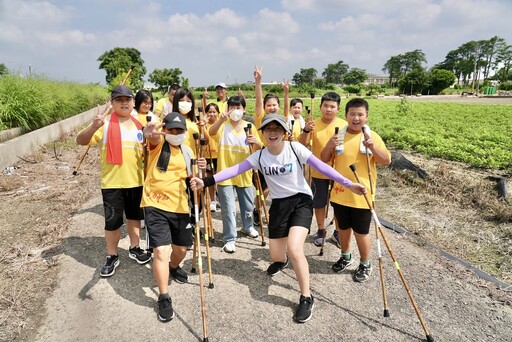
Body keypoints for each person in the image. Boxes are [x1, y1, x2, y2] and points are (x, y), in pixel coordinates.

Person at [191, 114, 366, 322]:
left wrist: (348, 184)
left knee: (294, 248)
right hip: (279, 205)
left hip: (301, 201)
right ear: (262, 133)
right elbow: (233, 170)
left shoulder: (295, 149)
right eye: (268, 129)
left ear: (285, 133)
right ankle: (281, 262)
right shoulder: (259, 156)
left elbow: (323, 167)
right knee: (276, 255)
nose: (273, 133)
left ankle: (306, 297)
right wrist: (207, 181)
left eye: (277, 129)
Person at [76, 85, 151, 277]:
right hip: (112, 183)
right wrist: (93, 126)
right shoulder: (104, 123)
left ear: (133, 102)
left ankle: (135, 247)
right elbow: (81, 141)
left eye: (128, 99)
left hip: (135, 180)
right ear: (112, 102)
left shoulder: (138, 125)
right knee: (112, 222)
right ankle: (112, 255)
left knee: (135, 217)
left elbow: (145, 153)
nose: (124, 103)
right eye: (119, 100)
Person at [140, 112, 205, 321]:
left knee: (181, 250)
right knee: (161, 250)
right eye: (171, 130)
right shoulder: (157, 145)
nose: (175, 133)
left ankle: (173, 267)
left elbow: (192, 181)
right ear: (165, 130)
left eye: (179, 130)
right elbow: (152, 137)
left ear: (185, 132)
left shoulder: (187, 152)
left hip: (179, 207)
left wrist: (198, 177)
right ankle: (164, 296)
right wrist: (149, 133)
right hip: (154, 204)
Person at [320, 98, 391, 282]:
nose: (356, 118)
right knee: (343, 229)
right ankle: (345, 256)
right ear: (346, 116)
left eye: (360, 114)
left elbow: (386, 161)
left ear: (366, 117)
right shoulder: (338, 135)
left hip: (363, 196)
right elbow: (324, 159)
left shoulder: (371, 136)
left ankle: (365, 263)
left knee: (361, 232)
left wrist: (373, 147)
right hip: (339, 193)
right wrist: (329, 145)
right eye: (352, 114)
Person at [208, 95, 262, 253]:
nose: (235, 111)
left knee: (247, 205)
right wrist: (220, 119)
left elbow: (259, 147)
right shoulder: (223, 125)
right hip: (225, 173)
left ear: (244, 109)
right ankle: (229, 238)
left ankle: (248, 226)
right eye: (232, 107)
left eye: (238, 108)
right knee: (228, 208)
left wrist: (257, 143)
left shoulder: (249, 126)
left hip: (244, 173)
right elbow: (211, 132)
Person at [298, 91, 347, 247]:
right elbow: (301, 145)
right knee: (319, 203)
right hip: (317, 173)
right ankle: (320, 229)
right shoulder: (313, 125)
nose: (328, 109)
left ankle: (338, 232)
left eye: (332, 106)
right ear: (320, 107)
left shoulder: (344, 126)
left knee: (338, 204)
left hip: (338, 172)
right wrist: (305, 130)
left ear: (338, 109)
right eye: (325, 106)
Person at [204, 102, 220, 212]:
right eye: (210, 112)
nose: (212, 114)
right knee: (211, 178)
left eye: (214, 112)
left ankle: (220, 198)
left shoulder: (221, 124)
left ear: (218, 113)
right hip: (207, 156)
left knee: (219, 178)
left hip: (219, 155)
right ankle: (212, 200)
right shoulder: (203, 124)